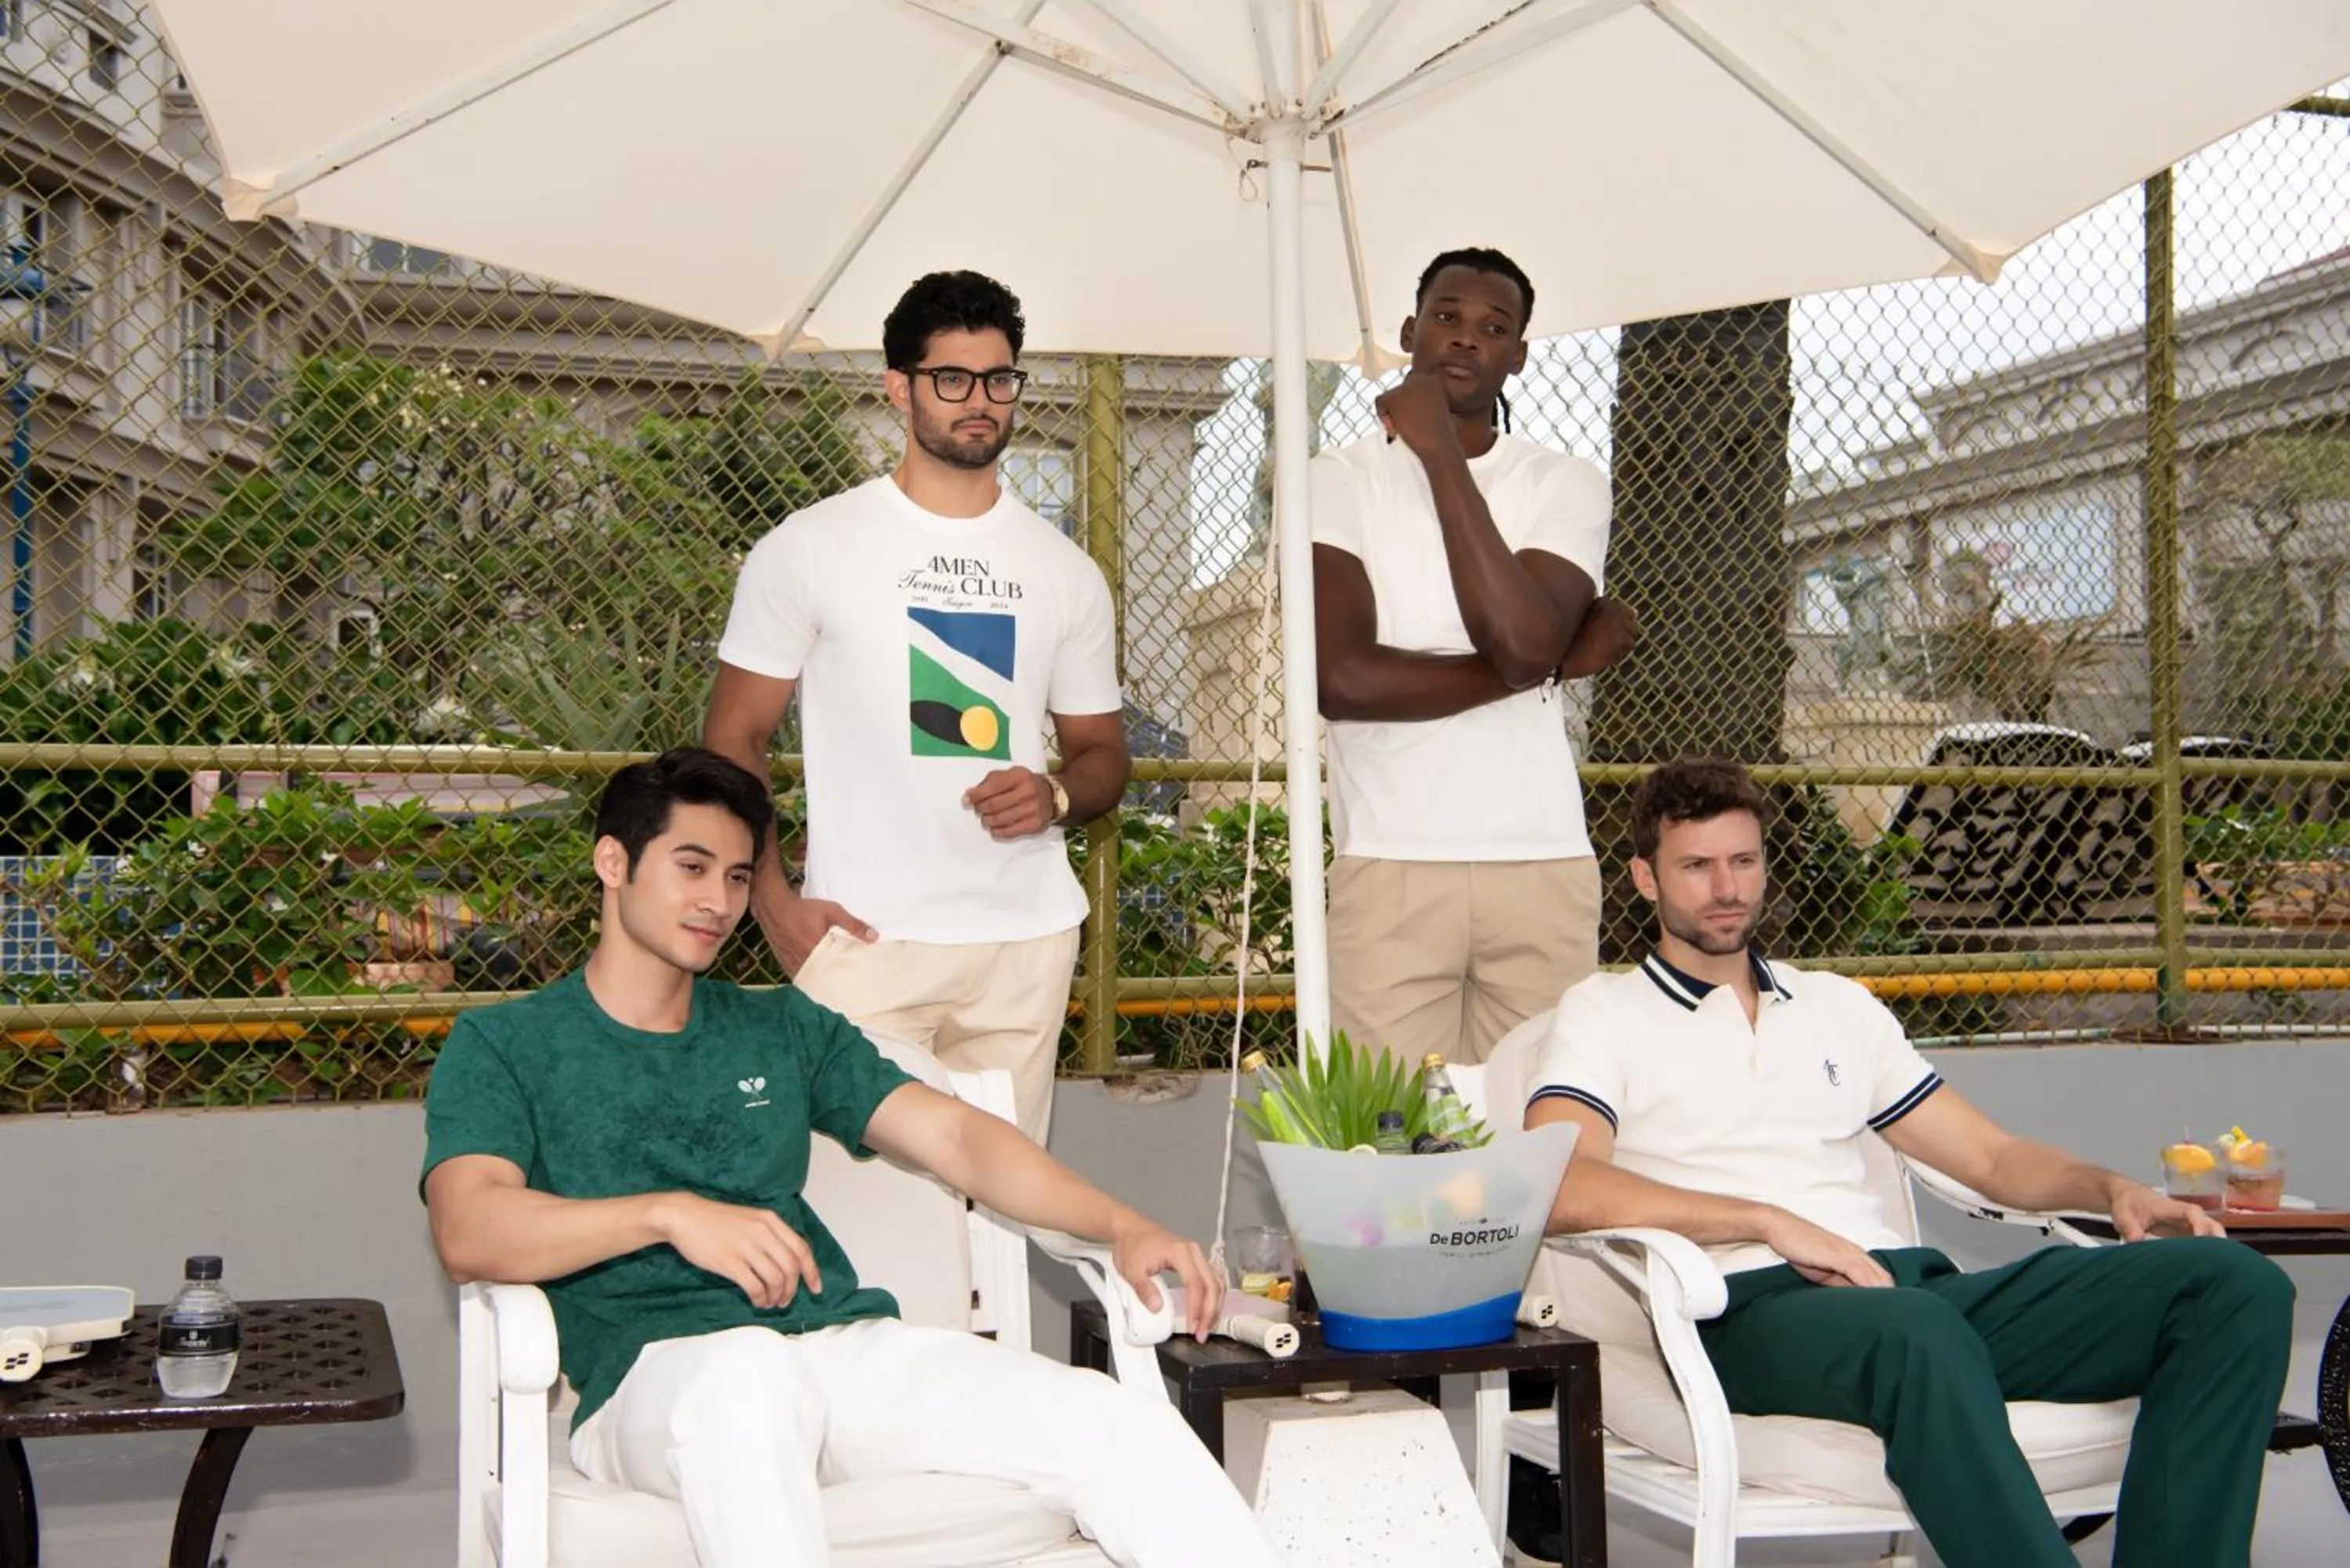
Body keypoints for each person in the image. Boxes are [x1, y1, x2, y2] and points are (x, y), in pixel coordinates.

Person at [422, 749, 1281, 1568]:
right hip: (656, 1379)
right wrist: (668, 1213)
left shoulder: (780, 1027)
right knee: (747, 1379)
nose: (718, 901)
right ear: (613, 862)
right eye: (691, 867)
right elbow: (469, 1226)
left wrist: (1123, 1224)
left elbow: (954, 1136)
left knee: (1107, 1417)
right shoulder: (506, 1044)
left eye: (735, 875)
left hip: (834, 1346)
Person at [1524, 756, 2294, 1568]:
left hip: (1910, 1295)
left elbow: (1991, 1155)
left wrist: (2111, 1187)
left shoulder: (1836, 1006)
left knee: (2231, 1286)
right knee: (1916, 1330)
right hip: (1744, 1309)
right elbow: (1564, 1181)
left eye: (1743, 861)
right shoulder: (1606, 1013)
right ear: (1646, 877)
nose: (1727, 887)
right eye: (1697, 865)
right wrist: (1769, 1223)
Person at [704, 270, 1127, 1142]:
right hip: (865, 939)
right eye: (952, 379)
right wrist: (773, 906)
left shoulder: (1066, 571)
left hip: (1026, 941)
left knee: (1001, 1228)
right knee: (862, 1225)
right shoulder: (811, 548)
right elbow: (732, 737)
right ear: (899, 388)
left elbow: (1104, 758)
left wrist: (1051, 795)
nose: (980, 401)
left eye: (999, 379)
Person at [1311, 245, 1636, 1067]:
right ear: (1408, 332)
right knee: (1388, 1141)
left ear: (1518, 357)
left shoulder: (1564, 483)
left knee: (1538, 1140)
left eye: (1494, 328)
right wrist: (1546, 666)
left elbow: (1523, 637)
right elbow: (1343, 678)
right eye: (1447, 317)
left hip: (1541, 860)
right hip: (1391, 859)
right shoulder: (1334, 480)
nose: (1465, 339)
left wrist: (1443, 458)